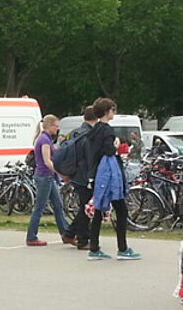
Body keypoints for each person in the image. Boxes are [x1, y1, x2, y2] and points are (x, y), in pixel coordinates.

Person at [83, 97, 140, 261]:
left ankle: (94, 248)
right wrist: (115, 145)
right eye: (112, 110)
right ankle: (123, 248)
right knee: (121, 210)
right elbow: (109, 151)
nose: (114, 112)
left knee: (99, 210)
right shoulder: (107, 130)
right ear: (107, 111)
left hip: (97, 174)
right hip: (109, 175)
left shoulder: (94, 130)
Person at [25, 115, 68, 246]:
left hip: (48, 177)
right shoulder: (44, 140)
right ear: (49, 126)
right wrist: (61, 173)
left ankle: (66, 233)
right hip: (44, 176)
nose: (57, 129)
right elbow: (47, 161)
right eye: (56, 126)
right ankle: (31, 237)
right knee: (39, 207)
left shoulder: (46, 139)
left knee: (58, 205)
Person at [61, 107, 98, 250]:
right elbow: (90, 157)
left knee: (85, 206)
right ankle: (82, 239)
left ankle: (70, 233)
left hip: (75, 173)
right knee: (86, 208)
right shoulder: (90, 134)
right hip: (85, 175)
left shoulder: (75, 132)